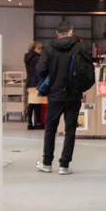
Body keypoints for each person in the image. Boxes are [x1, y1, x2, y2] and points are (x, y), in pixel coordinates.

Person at [36, 21, 91, 174]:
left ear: (57, 32)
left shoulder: (49, 48)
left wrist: (49, 80)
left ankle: (47, 163)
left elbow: (40, 69)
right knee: (70, 129)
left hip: (54, 94)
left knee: (50, 129)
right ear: (71, 32)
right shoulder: (79, 47)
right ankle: (64, 165)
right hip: (73, 94)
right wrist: (81, 87)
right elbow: (88, 70)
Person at [23, 41, 43, 129]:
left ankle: (30, 123)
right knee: (37, 103)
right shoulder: (37, 58)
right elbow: (40, 70)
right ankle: (38, 122)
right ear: (34, 49)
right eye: (39, 48)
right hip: (36, 82)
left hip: (30, 82)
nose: (40, 50)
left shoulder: (28, 58)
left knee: (32, 103)